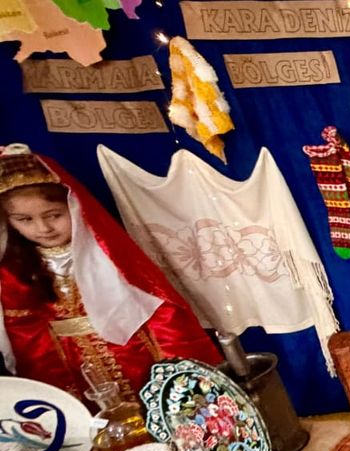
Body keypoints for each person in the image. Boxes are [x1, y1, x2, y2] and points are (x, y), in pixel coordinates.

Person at [0, 144, 220, 400]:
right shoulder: (13, 270)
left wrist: (175, 369)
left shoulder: (110, 254)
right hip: (70, 368)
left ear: (74, 205)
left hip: (134, 355)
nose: (43, 228)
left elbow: (161, 313)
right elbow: (26, 337)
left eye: (54, 215)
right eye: (25, 220)